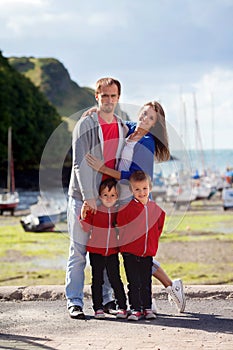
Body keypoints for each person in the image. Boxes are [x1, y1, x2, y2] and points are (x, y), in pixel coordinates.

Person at [86, 101, 186, 313]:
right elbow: (118, 120)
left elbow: (135, 176)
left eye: (150, 118)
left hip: (132, 199)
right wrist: (98, 110)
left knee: (135, 252)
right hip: (119, 198)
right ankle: (149, 295)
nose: (145, 119)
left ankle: (169, 285)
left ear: (155, 124)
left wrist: (103, 168)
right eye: (144, 114)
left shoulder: (147, 141)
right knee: (130, 251)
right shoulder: (132, 129)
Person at [65, 77, 129, 319]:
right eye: (104, 96)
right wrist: (89, 198)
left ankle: (106, 299)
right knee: (78, 251)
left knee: (106, 251)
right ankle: (74, 301)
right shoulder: (85, 125)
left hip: (108, 200)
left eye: (113, 96)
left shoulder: (123, 127)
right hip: (84, 197)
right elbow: (79, 163)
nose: (109, 101)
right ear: (97, 97)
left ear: (118, 97)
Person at [117, 170, 165, 320]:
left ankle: (147, 308)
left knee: (146, 282)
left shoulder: (156, 210)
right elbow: (120, 227)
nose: (141, 192)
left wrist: (151, 245)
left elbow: (158, 228)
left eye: (144, 188)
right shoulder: (126, 210)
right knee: (134, 283)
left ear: (150, 188)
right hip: (130, 253)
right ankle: (135, 309)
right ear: (132, 190)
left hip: (147, 254)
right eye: (137, 189)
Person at [79, 178, 128, 319]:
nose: (109, 198)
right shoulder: (95, 210)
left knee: (115, 279)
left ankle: (123, 307)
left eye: (112, 195)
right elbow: (86, 227)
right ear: (100, 196)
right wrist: (83, 214)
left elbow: (122, 228)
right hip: (96, 252)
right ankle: (98, 308)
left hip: (112, 252)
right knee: (97, 280)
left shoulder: (117, 211)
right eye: (105, 195)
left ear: (117, 197)